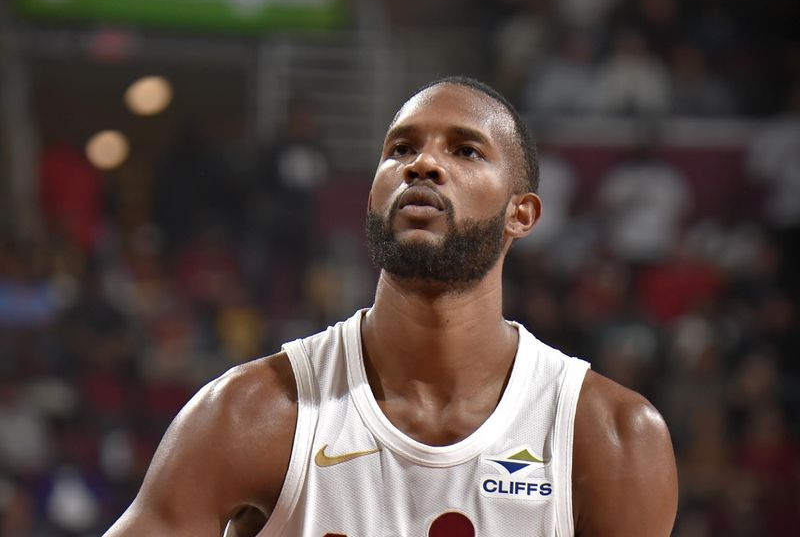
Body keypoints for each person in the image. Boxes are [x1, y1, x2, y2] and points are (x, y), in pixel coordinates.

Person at [104, 77, 678, 536]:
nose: (422, 165)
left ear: (521, 214)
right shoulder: (253, 413)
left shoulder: (612, 436)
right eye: (401, 148)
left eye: (465, 150)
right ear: (372, 196)